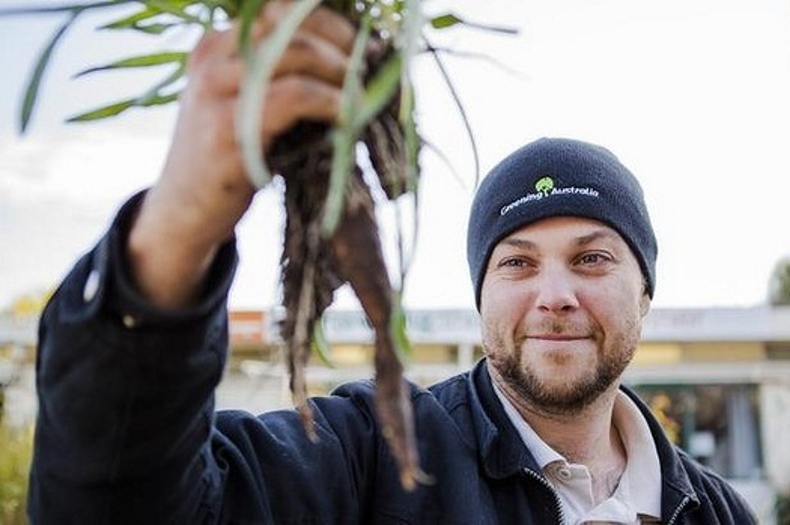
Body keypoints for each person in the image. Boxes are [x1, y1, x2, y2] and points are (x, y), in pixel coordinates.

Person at [27, 3, 757, 524]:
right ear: (481, 295)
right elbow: (122, 501)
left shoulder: (717, 510)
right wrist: (179, 228)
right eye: (517, 263)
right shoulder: (372, 453)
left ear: (646, 292)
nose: (554, 294)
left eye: (592, 258)